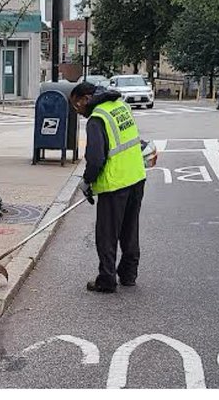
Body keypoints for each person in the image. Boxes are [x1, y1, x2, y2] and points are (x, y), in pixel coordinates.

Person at [69, 80, 147, 293]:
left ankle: (107, 280)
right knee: (130, 229)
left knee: (107, 235)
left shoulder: (97, 119)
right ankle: (129, 274)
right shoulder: (120, 106)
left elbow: (95, 159)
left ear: (87, 98)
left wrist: (87, 181)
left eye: (77, 104)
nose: (77, 110)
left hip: (115, 184)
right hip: (136, 178)